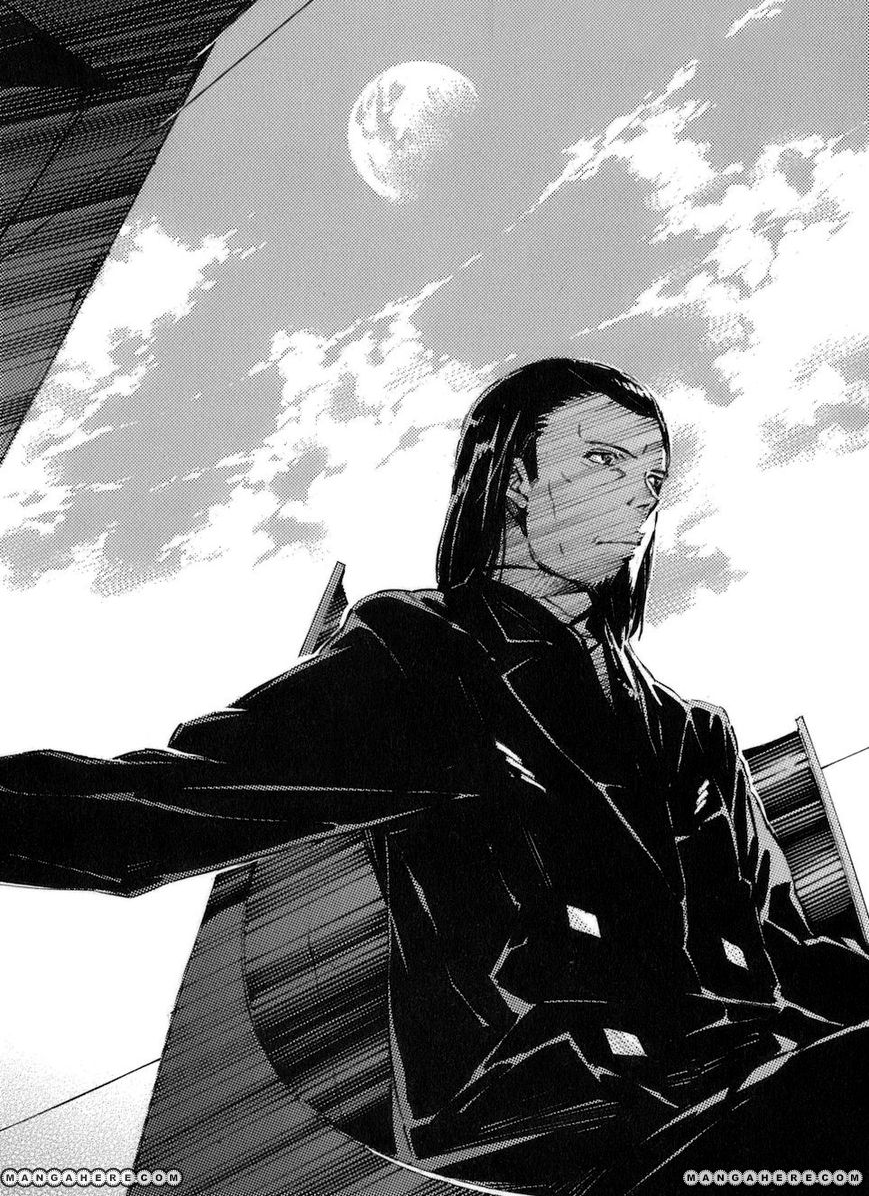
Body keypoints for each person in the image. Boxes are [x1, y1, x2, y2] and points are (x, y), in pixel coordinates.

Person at [3, 358, 869, 1193]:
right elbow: (160, 809)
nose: (638, 497)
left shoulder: (694, 733)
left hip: (749, 1106)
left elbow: (794, 955)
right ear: (513, 477)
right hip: (556, 1126)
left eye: (651, 477)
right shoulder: (427, 659)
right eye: (603, 460)